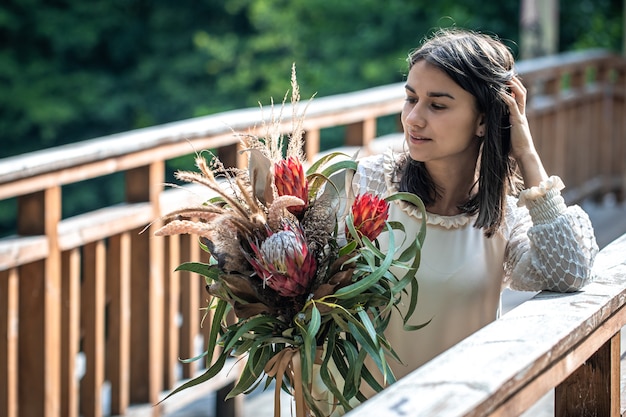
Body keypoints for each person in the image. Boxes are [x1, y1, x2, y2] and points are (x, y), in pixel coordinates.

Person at [349, 28, 599, 379]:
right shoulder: (368, 183)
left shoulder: (503, 218)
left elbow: (571, 271)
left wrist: (526, 151)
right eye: (411, 99)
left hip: (462, 403)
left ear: (483, 119)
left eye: (437, 105)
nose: (413, 118)